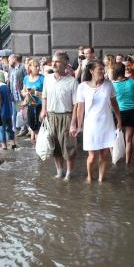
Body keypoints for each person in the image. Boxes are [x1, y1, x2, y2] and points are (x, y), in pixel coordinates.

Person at [74, 60, 122, 182]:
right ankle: (89, 177)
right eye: (99, 69)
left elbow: (114, 104)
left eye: (103, 68)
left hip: (107, 123)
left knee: (104, 154)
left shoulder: (108, 84)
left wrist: (119, 120)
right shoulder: (82, 87)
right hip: (91, 124)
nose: (103, 71)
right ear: (91, 71)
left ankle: (101, 179)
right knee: (92, 155)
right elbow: (80, 109)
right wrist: (79, 126)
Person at [40, 52, 79, 180]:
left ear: (65, 64)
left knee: (68, 147)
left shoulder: (72, 82)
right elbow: (44, 96)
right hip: (51, 116)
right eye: (54, 61)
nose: (54, 64)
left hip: (66, 116)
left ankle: (69, 173)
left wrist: (73, 123)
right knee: (55, 146)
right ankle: (60, 172)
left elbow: (76, 105)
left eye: (58, 61)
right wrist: (43, 110)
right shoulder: (47, 78)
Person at [112, 62, 134, 164]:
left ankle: (115, 161)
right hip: (132, 112)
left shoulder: (112, 85)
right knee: (129, 140)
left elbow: (111, 102)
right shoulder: (132, 82)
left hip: (118, 114)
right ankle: (127, 163)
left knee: (115, 139)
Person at [22, 59, 44, 142]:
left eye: (38, 66)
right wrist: (26, 94)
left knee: (39, 126)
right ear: (30, 67)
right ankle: (36, 142)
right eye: (36, 66)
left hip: (40, 105)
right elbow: (23, 91)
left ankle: (39, 146)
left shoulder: (42, 78)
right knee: (31, 124)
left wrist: (34, 92)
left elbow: (46, 94)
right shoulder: (26, 78)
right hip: (30, 105)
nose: (38, 68)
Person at [0, 72, 17, 150]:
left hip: (1, 112)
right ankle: (13, 143)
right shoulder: (5, 86)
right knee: (9, 128)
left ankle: (4, 146)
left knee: (1, 129)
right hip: (9, 111)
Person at [8, 54, 27, 136]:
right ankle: (24, 128)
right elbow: (9, 81)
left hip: (22, 94)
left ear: (14, 59)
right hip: (14, 95)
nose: (9, 62)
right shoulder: (11, 69)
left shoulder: (22, 67)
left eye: (9, 60)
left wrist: (24, 91)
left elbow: (26, 79)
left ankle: (26, 128)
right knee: (20, 112)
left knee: (24, 111)